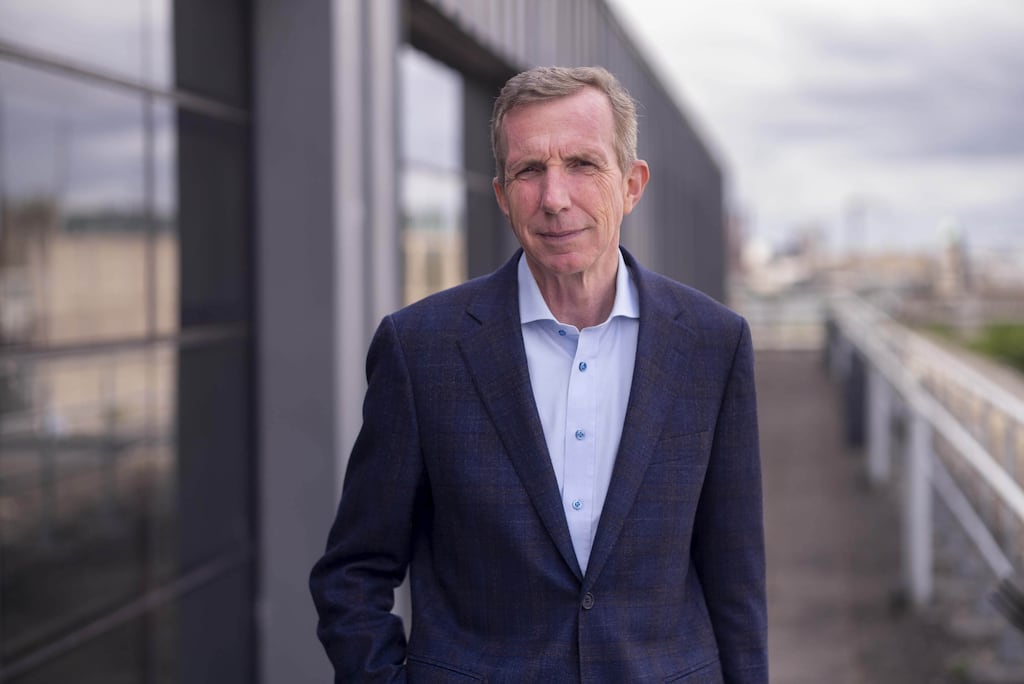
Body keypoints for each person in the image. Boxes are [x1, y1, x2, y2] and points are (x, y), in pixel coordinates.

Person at [310, 65, 767, 683]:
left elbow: (736, 582)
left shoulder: (713, 344)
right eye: (529, 170)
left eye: (582, 164)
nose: (555, 198)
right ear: (501, 195)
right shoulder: (421, 350)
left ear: (632, 185)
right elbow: (354, 573)